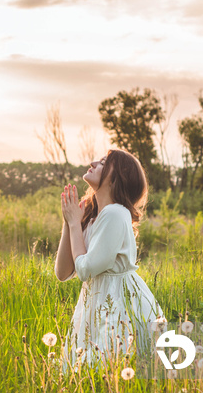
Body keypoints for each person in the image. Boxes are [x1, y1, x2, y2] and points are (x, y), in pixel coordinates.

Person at [54, 148, 165, 372]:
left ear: (116, 178)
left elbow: (84, 270)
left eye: (104, 163)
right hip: (96, 298)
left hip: (118, 300)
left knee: (110, 368)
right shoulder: (93, 215)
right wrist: (69, 222)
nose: (93, 162)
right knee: (93, 370)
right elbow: (63, 272)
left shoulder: (115, 213)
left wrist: (75, 225)